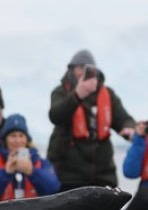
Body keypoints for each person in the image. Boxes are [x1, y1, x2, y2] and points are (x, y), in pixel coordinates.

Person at [47, 49, 136, 191]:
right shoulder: (61, 92)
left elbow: (124, 120)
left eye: (88, 70)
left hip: (103, 175)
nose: (83, 73)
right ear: (71, 70)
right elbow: (55, 116)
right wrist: (77, 95)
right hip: (69, 177)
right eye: (80, 68)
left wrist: (129, 128)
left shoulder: (108, 95)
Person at [0, 114, 61, 203]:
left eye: (21, 136)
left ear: (27, 140)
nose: (17, 140)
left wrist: (32, 172)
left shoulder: (41, 162)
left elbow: (54, 188)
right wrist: (5, 173)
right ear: (5, 140)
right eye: (13, 136)